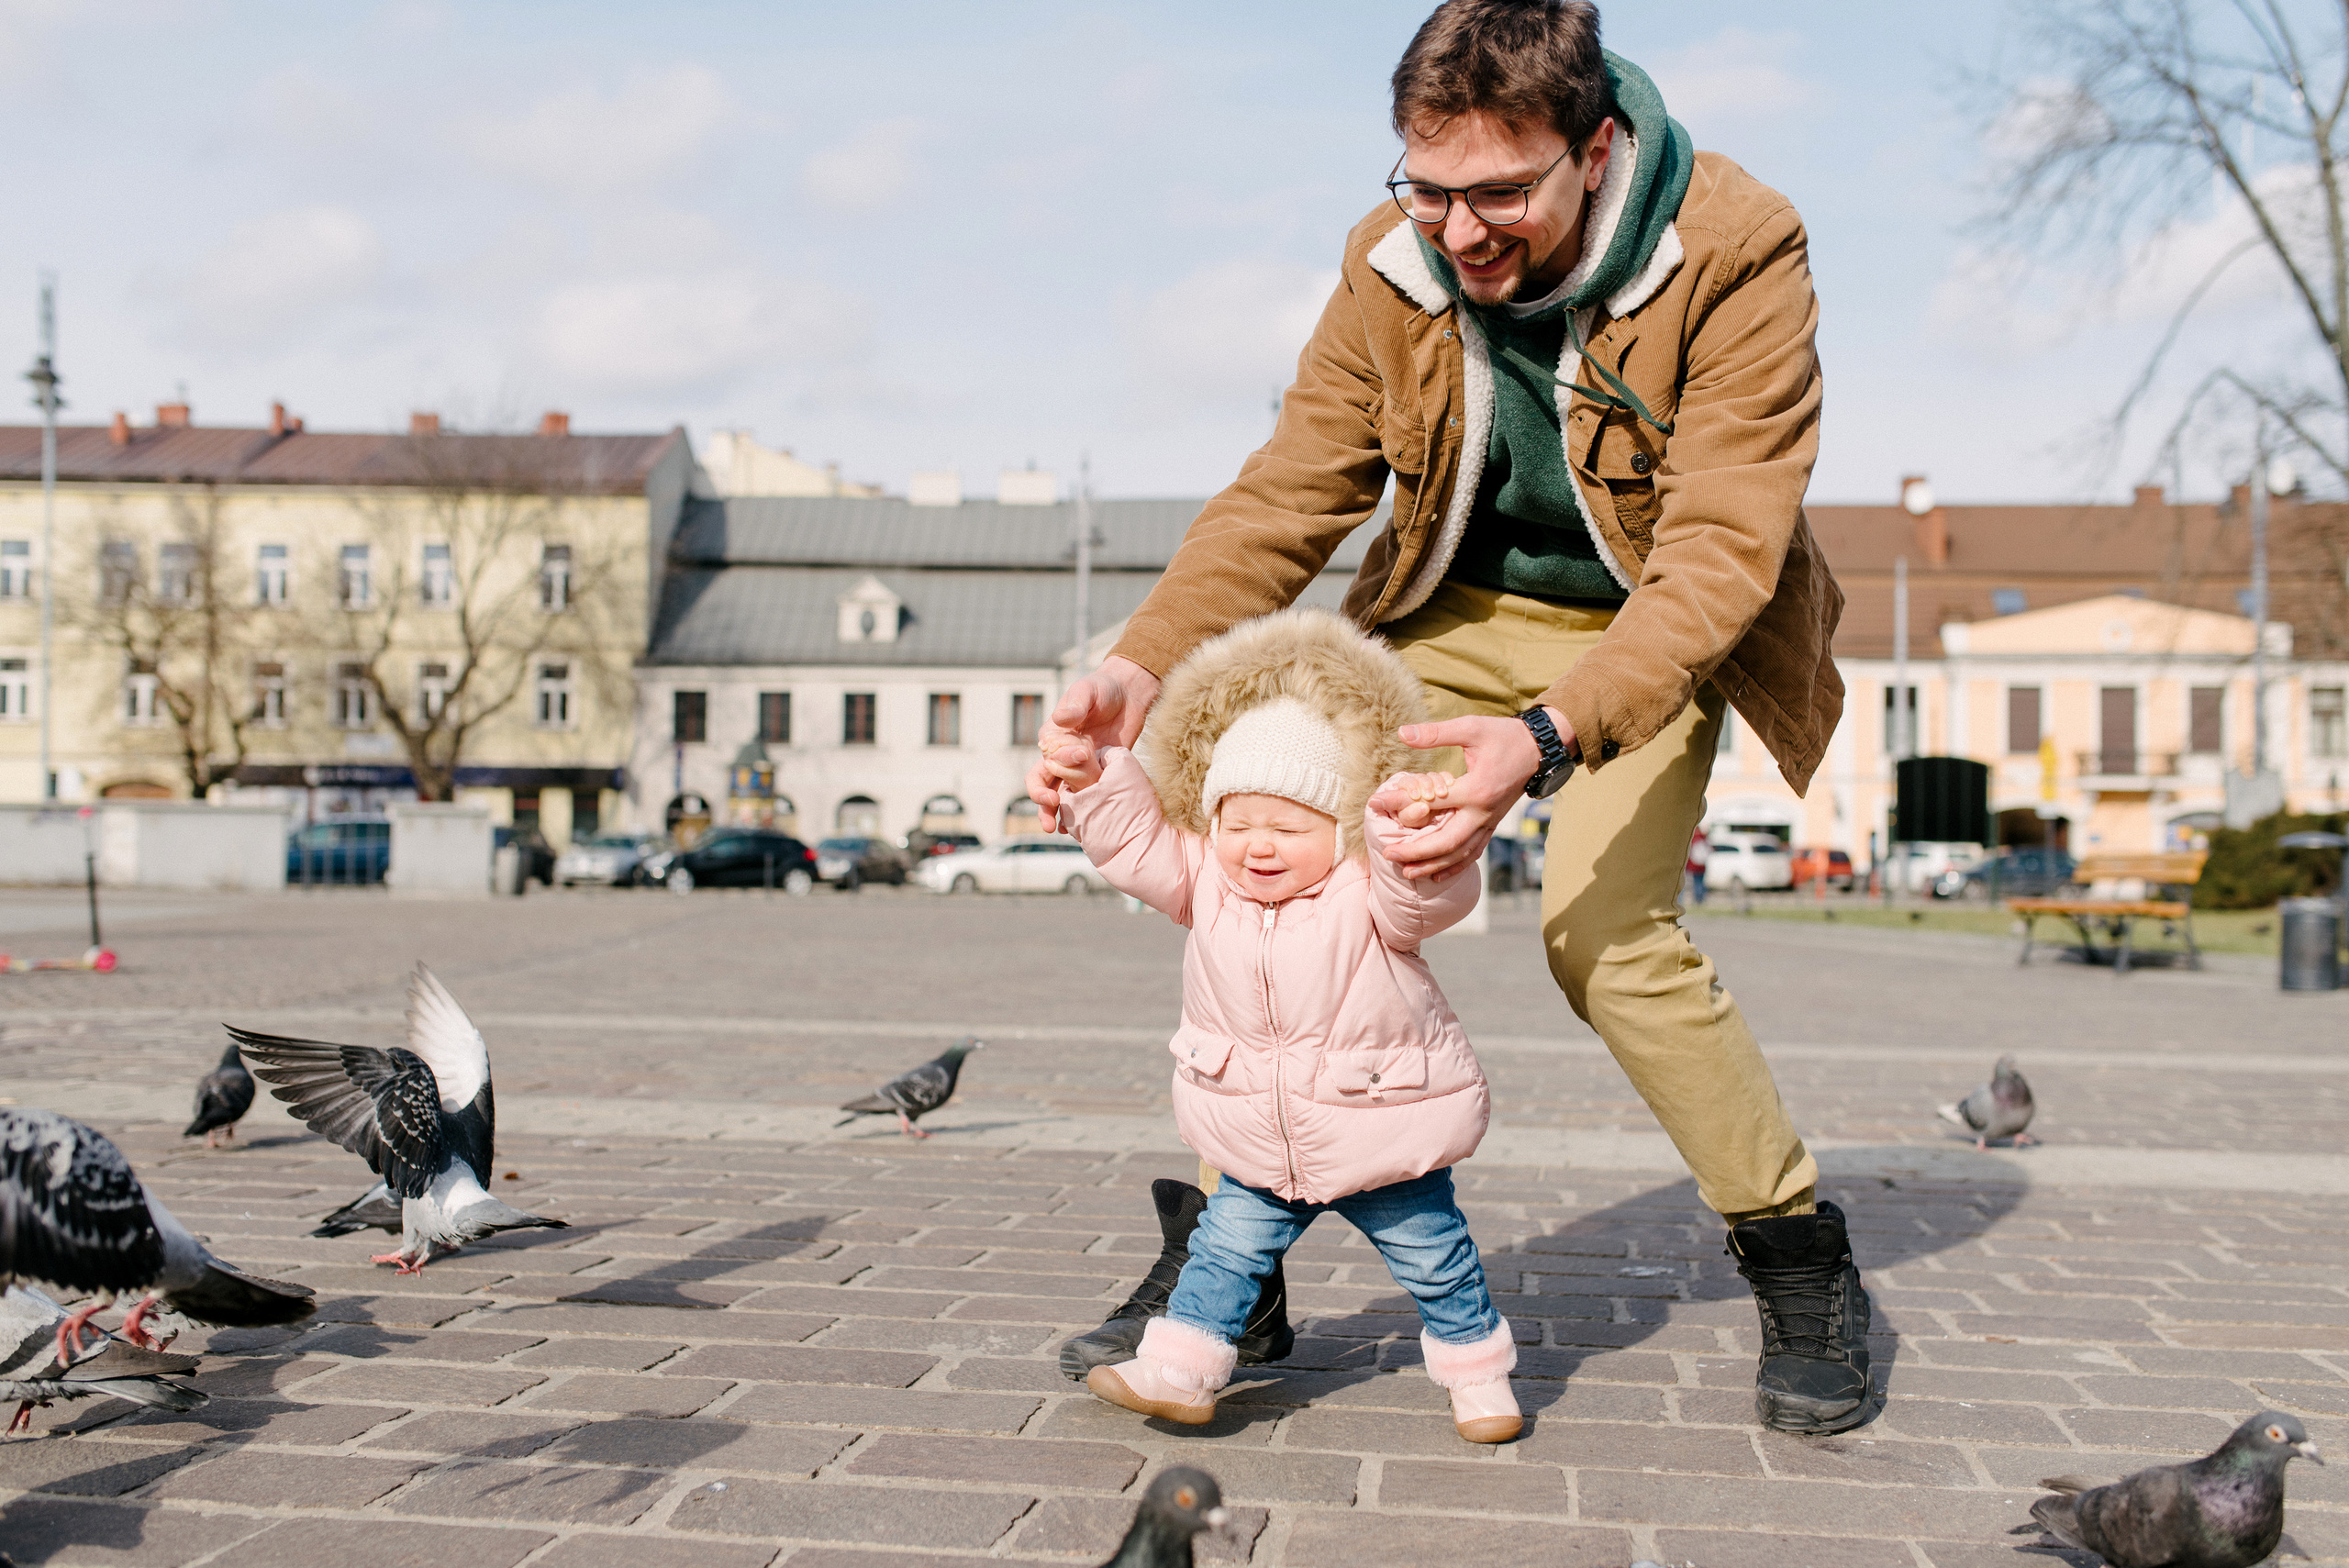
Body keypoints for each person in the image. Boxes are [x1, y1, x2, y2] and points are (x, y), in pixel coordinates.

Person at [1035, 0, 1869, 1436]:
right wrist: (1146, 661)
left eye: (1502, 194)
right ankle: (1243, 1258)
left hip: (1640, 634)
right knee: (1245, 840)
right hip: (1445, 614)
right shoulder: (1389, 261)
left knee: (1602, 936)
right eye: (1428, 189)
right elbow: (1294, 486)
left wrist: (1546, 739)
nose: (1463, 231)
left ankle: (1798, 1252)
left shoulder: (1741, 246)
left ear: (1594, 151)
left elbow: (1722, 552)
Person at [1043, 607, 1520, 1444]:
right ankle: (1180, 1372)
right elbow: (1134, 842)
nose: (1258, 847)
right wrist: (1096, 777)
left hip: (1378, 1123)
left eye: (1289, 828)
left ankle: (1478, 1377)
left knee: (1435, 1259)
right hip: (1264, 1132)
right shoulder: (1206, 883)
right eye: (1238, 823)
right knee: (1222, 1252)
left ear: (1335, 827)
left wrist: (1401, 833)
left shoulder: (1369, 889)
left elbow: (1433, 894)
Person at [1685, 827, 1710, 906]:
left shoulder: (1693, 839)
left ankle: (1696, 899)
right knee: (1700, 883)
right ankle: (1700, 899)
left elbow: (1689, 853)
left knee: (1695, 884)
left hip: (1694, 866)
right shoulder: (1704, 839)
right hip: (1702, 866)